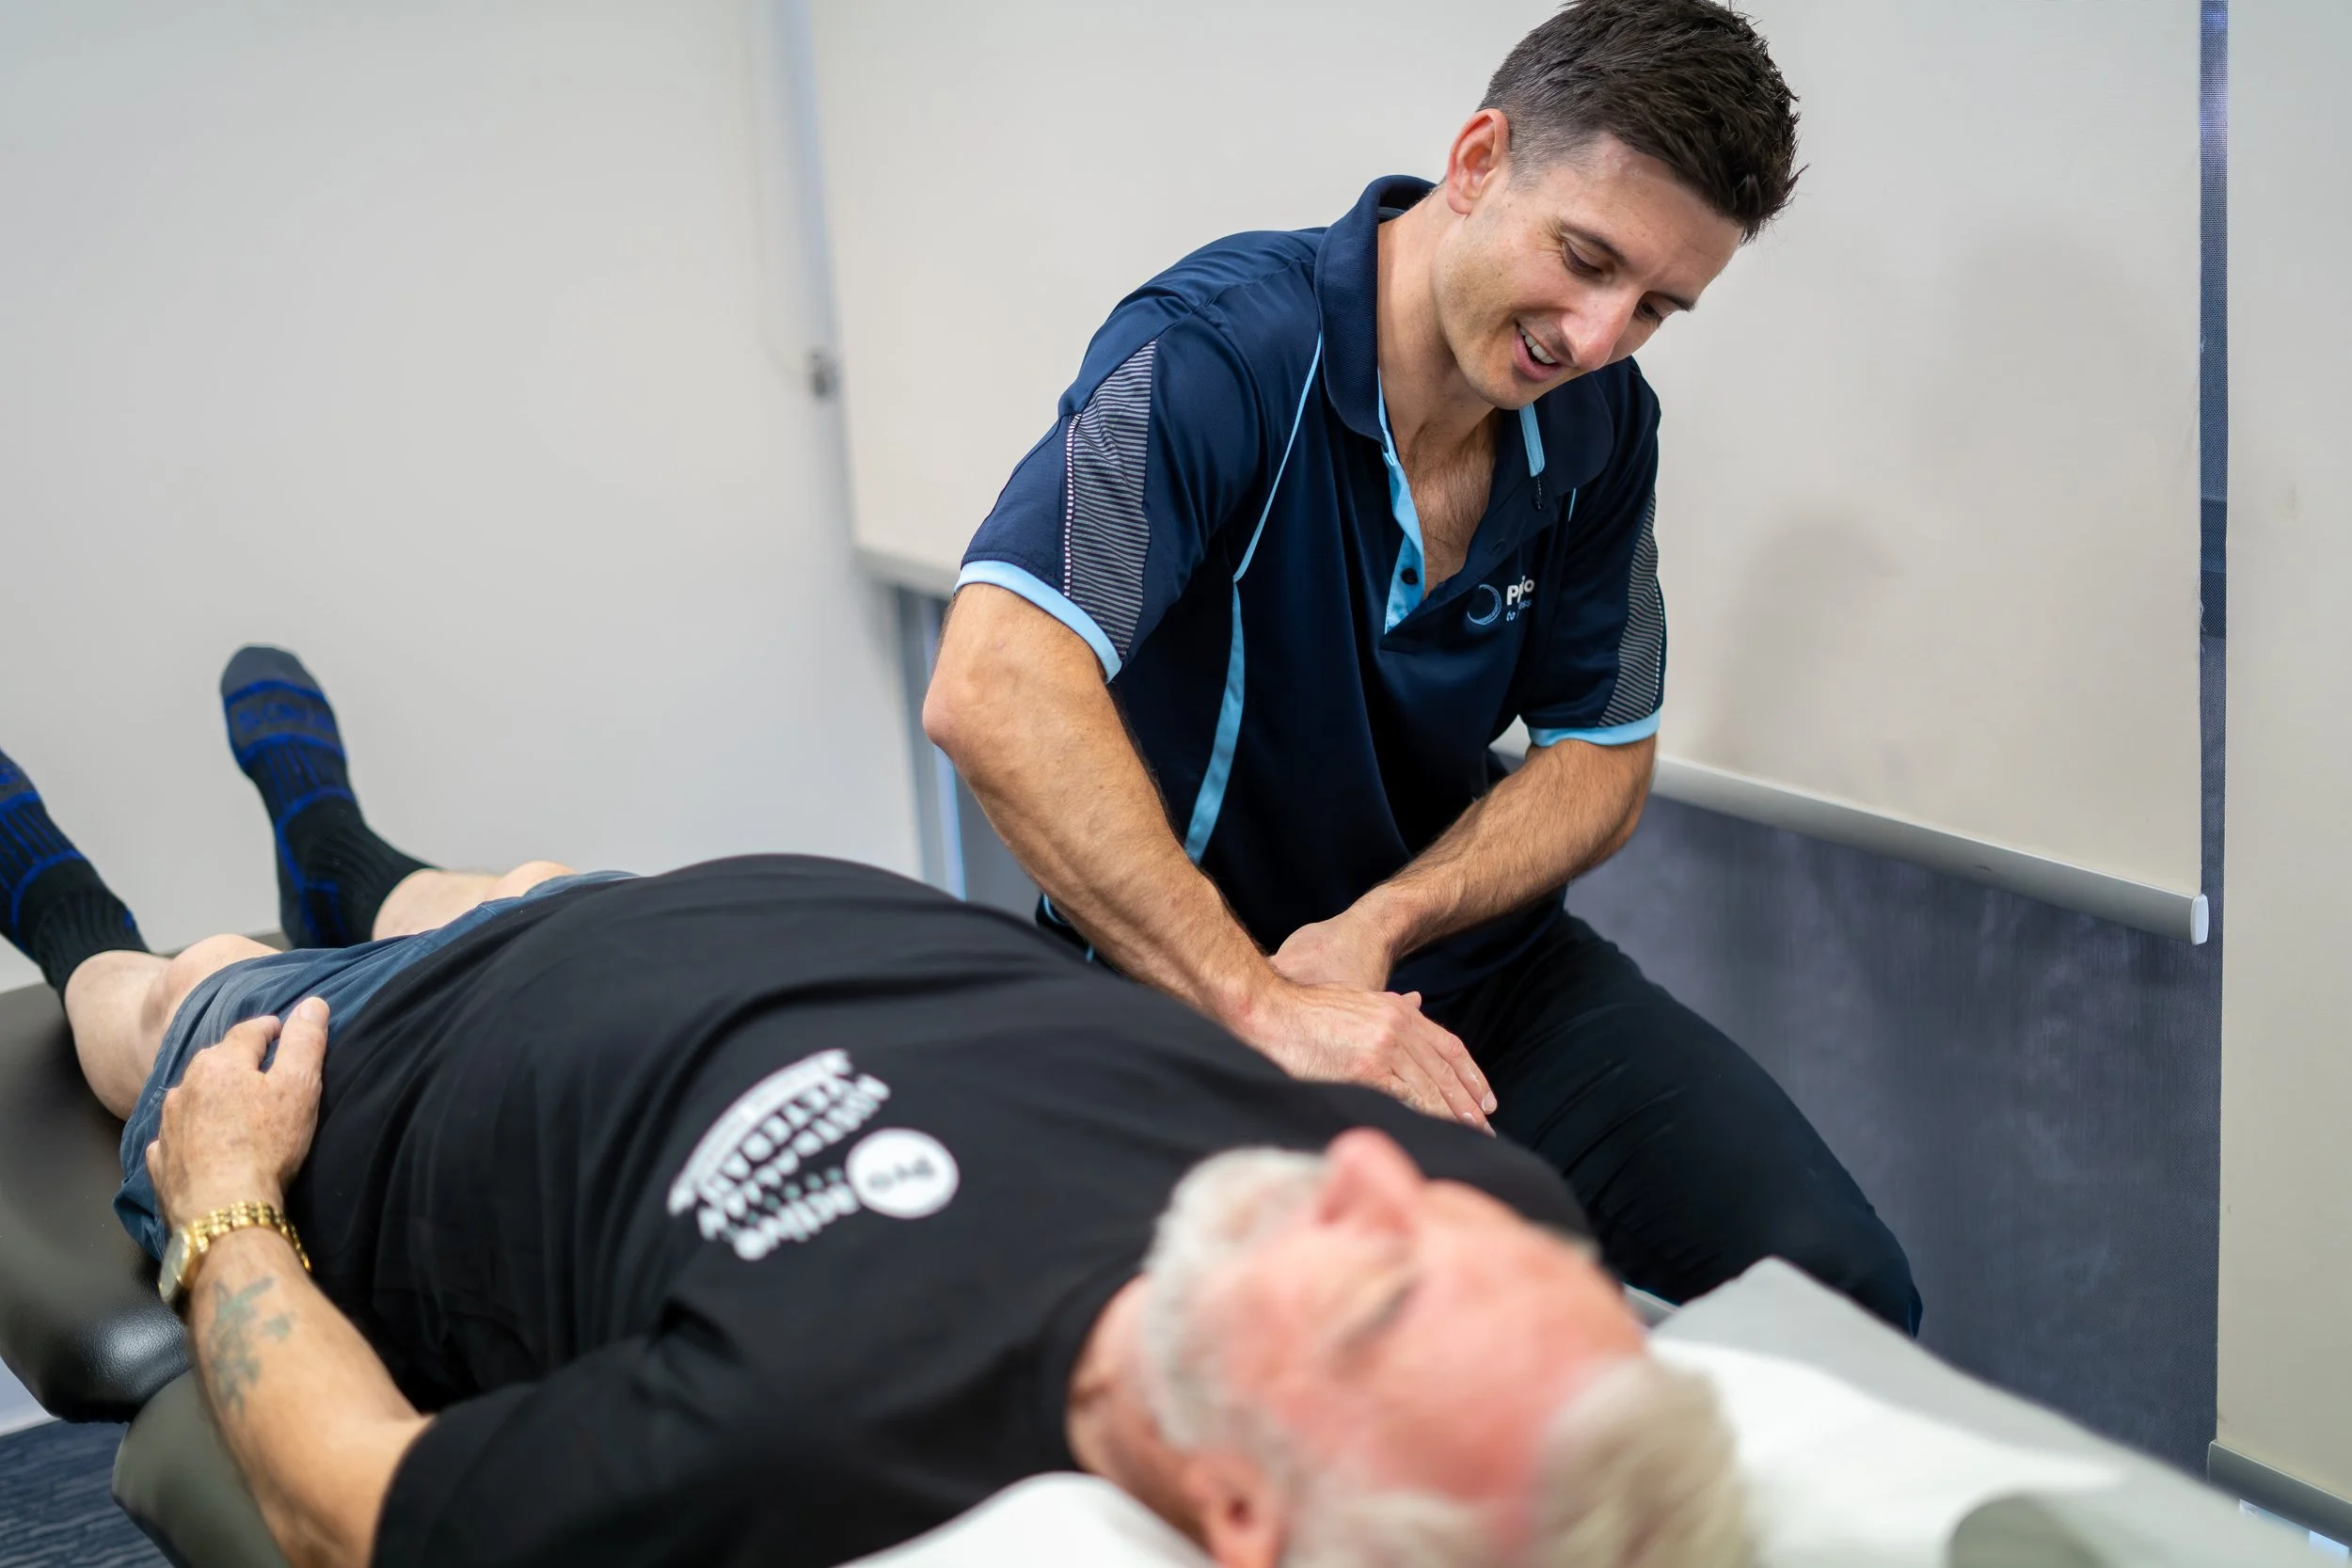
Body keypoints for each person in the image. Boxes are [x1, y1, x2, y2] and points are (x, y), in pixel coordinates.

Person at [0, 647, 1745, 1568]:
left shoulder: (816, 1439)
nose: (1366, 1163)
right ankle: (343, 847)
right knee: (495, 882)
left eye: (1377, 1288)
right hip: (679, 911)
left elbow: (353, 1506)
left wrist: (228, 1199)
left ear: (1235, 1513)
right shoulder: (1506, 1230)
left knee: (167, 999)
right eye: (1442, 1203)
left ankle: (61, 903)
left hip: (387, 1067)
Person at [924, 0, 1918, 1331]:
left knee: (1840, 1292)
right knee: (1321, 1371)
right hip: (1185, 991)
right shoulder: (1219, 354)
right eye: (1584, 258)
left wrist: (1385, 924)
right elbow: (992, 683)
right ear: (1478, 160)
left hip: (1465, 977)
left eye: (1654, 308)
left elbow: (1602, 758)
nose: (1594, 337)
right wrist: (1265, 1003)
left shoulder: (1602, 426)